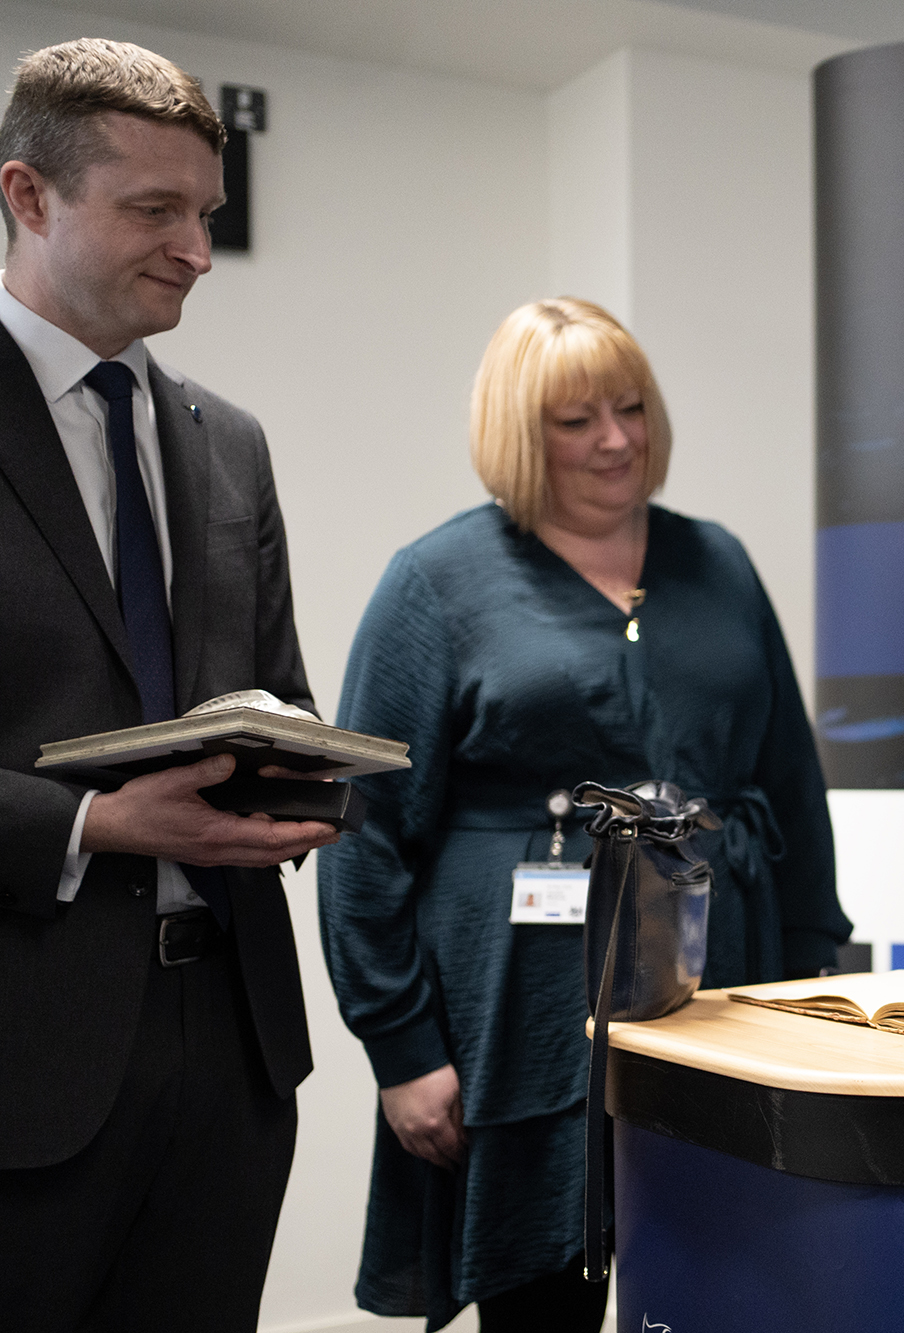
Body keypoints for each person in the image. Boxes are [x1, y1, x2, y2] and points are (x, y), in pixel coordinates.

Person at [318, 296, 850, 1330]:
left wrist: (812, 970)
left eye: (631, 407)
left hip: (723, 982)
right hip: (521, 1007)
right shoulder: (435, 583)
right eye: (576, 421)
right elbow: (364, 833)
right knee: (539, 1290)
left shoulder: (719, 562)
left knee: (728, 1266)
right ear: (519, 436)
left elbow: (790, 783)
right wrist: (403, 1048)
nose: (616, 440)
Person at [0, 38, 341, 1329]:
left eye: (206, 212)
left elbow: (274, 687)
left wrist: (312, 776)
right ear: (27, 196)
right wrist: (91, 824)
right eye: (155, 211)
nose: (197, 248)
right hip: (26, 1049)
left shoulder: (227, 443)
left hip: (231, 1047)